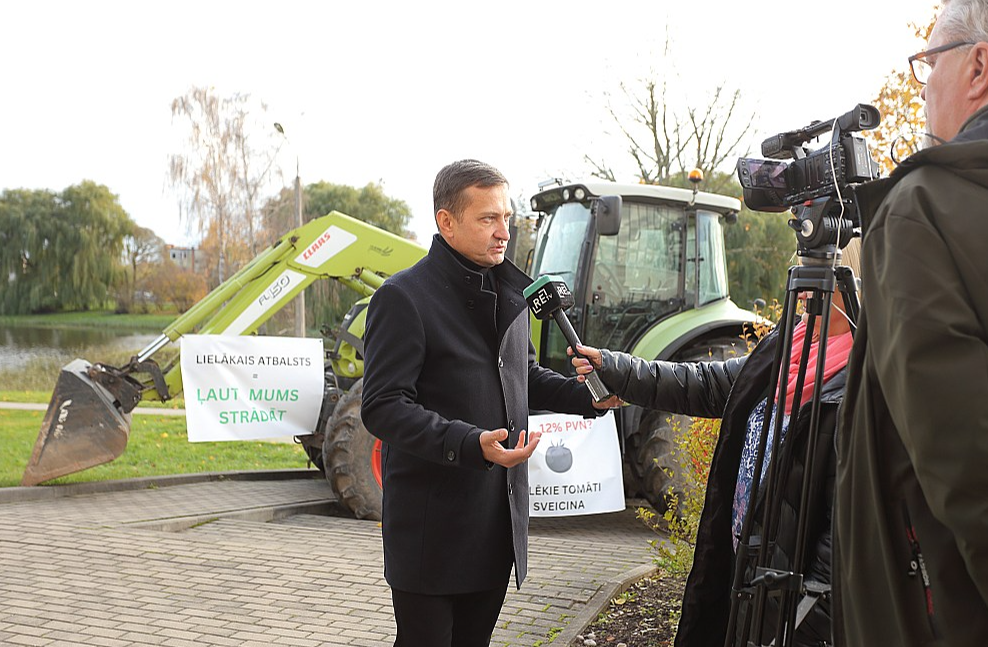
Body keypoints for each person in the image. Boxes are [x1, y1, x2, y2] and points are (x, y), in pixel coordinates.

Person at [360, 159, 617, 647]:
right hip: (432, 531)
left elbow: (526, 378)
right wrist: (470, 442)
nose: (504, 232)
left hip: (495, 524)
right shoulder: (403, 298)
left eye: (507, 218)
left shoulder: (512, 292)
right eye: (488, 219)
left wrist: (594, 396)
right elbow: (383, 405)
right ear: (446, 222)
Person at [570, 239, 862, 647]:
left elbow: (841, 552)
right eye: (802, 269)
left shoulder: (861, 386)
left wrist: (802, 626)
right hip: (750, 576)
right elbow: (709, 385)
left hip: (793, 610)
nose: (803, 287)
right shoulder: (789, 345)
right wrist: (617, 369)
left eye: (817, 275)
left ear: (850, 284)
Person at [834, 1, 988, 644]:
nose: (922, 84)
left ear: (978, 64)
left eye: (929, 62)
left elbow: (966, 459)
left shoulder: (919, 209)